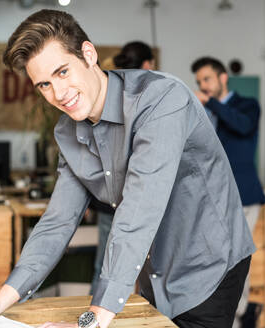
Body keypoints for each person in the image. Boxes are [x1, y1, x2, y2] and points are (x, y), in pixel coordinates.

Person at [0, 10, 254, 328]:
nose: (58, 94)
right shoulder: (68, 132)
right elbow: (57, 223)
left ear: (88, 55)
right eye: (44, 85)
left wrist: (91, 321)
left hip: (208, 266)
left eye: (62, 72)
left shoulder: (161, 101)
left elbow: (138, 211)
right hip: (153, 268)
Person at [191, 57, 265, 328]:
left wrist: (210, 103)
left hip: (243, 197)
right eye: (199, 82)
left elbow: (243, 126)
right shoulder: (205, 112)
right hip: (211, 199)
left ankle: (237, 317)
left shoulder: (247, 105)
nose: (203, 86)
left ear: (223, 78)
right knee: (213, 261)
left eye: (207, 79)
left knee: (236, 262)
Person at [90, 40, 155, 295]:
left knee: (106, 268)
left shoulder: (109, 97)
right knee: (141, 271)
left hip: (110, 201)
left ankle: (96, 317)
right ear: (148, 64)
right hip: (138, 203)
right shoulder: (148, 102)